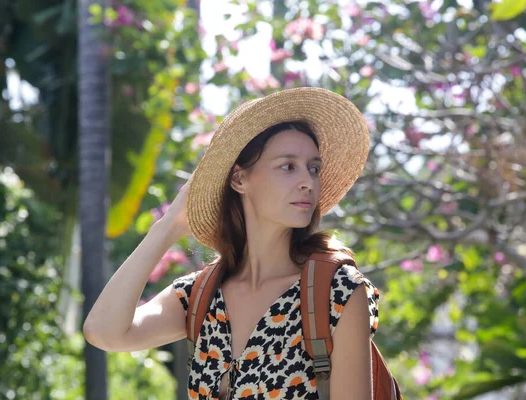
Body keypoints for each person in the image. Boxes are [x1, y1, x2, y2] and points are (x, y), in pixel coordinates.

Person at [83, 87, 381, 400]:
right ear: (239, 180)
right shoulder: (201, 295)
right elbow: (103, 332)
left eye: (314, 168)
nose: (307, 180)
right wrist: (167, 228)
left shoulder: (336, 291)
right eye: (288, 166)